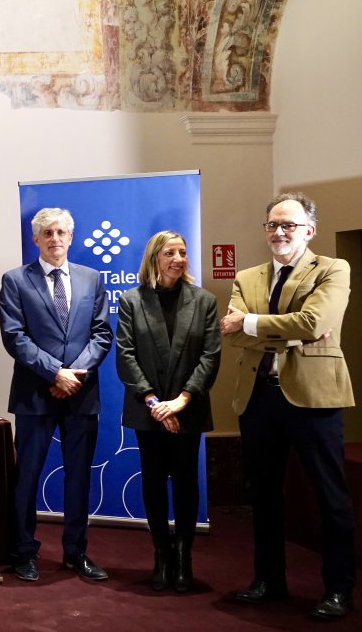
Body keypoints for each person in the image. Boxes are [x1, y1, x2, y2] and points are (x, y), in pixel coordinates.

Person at [219, 192, 357, 620]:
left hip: (313, 397)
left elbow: (315, 322)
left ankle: (339, 590)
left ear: (309, 230)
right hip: (259, 397)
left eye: (289, 225)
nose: (279, 232)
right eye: (273, 225)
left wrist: (252, 322)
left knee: (330, 497)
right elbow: (231, 333)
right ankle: (268, 581)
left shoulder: (333, 268)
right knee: (263, 496)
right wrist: (290, 333)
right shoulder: (248, 277)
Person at [0, 207, 112, 583]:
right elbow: (14, 336)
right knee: (27, 477)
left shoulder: (91, 278)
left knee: (78, 477)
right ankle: (24, 552)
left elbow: (102, 333)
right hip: (35, 394)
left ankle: (75, 552)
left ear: (71, 237)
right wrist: (54, 373)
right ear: (36, 239)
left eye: (61, 232)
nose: (55, 239)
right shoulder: (15, 280)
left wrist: (73, 374)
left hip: (80, 393)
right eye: (47, 233)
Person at [115, 230, 220, 593]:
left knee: (187, 482)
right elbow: (125, 355)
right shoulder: (131, 301)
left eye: (182, 252)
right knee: (154, 482)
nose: (178, 259)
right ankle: (162, 554)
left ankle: (184, 555)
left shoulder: (204, 301)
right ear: (154, 258)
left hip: (188, 408)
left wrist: (181, 401)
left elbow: (210, 356)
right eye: (170, 253)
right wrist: (155, 403)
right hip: (148, 410)